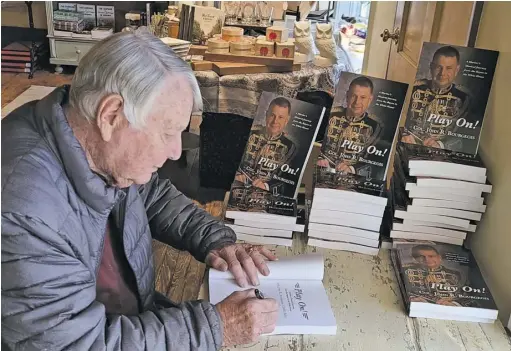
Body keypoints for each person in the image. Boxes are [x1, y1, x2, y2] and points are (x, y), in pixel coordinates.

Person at [1, 30, 279, 351]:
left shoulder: (82, 133)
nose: (176, 151)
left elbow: (150, 194)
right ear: (111, 115)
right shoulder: (24, 213)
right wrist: (215, 330)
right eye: (167, 132)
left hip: (129, 318)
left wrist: (214, 239)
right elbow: (79, 345)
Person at [402, 45, 470, 150]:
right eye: (439, 67)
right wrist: (403, 134)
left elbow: (465, 138)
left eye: (449, 68)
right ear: (431, 67)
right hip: (406, 147)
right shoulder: (414, 88)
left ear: (457, 70)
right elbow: (398, 118)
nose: (442, 73)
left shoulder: (465, 99)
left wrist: (440, 145)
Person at [317, 76, 382, 175]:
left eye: (363, 97)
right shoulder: (331, 114)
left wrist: (351, 169)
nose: (357, 102)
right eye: (353, 96)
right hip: (321, 170)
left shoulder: (376, 127)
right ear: (347, 96)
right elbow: (315, 143)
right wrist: (319, 158)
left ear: (370, 100)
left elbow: (375, 162)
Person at [234, 97, 296, 193]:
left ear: (287, 120)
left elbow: (285, 178)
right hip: (236, 185)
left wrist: (266, 186)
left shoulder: (290, 146)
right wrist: (236, 174)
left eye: (280, 117)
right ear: (266, 114)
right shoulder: (249, 133)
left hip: (264, 193)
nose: (275, 121)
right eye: (272, 115)